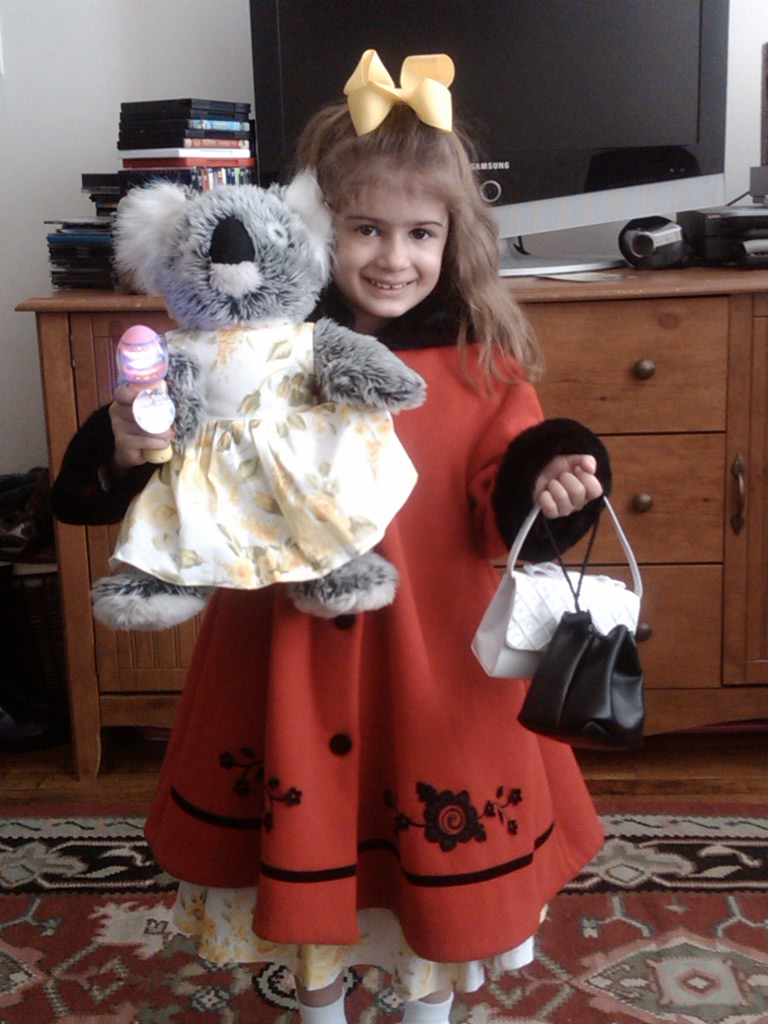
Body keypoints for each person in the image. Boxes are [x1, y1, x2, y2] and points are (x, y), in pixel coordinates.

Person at [51, 50, 610, 1024]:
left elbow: (506, 493)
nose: (394, 258)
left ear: (453, 239)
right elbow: (156, 455)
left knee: (431, 870)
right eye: (366, 229)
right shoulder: (245, 355)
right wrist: (129, 440)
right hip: (283, 664)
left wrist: (554, 486)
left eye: (420, 233)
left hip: (436, 675)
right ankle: (319, 1006)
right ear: (317, 227)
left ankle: (426, 1010)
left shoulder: (481, 364)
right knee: (308, 855)